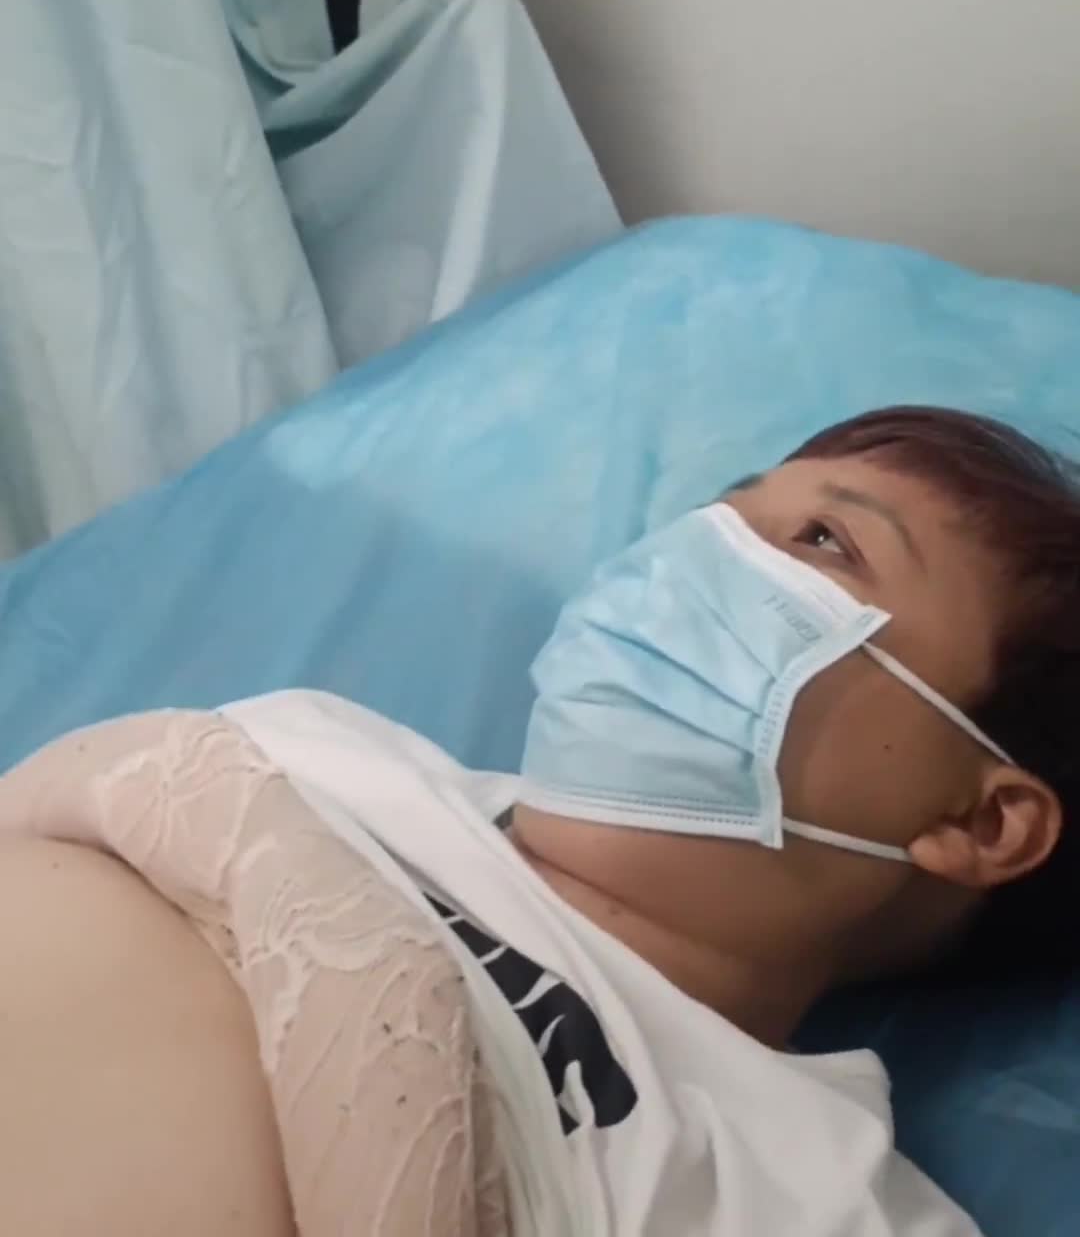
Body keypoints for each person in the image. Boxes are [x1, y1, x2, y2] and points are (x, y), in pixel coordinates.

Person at [0, 405, 1077, 1235]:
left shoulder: (814, 1200)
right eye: (724, 509)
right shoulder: (323, 748)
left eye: (826, 543)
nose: (698, 552)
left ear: (984, 825)